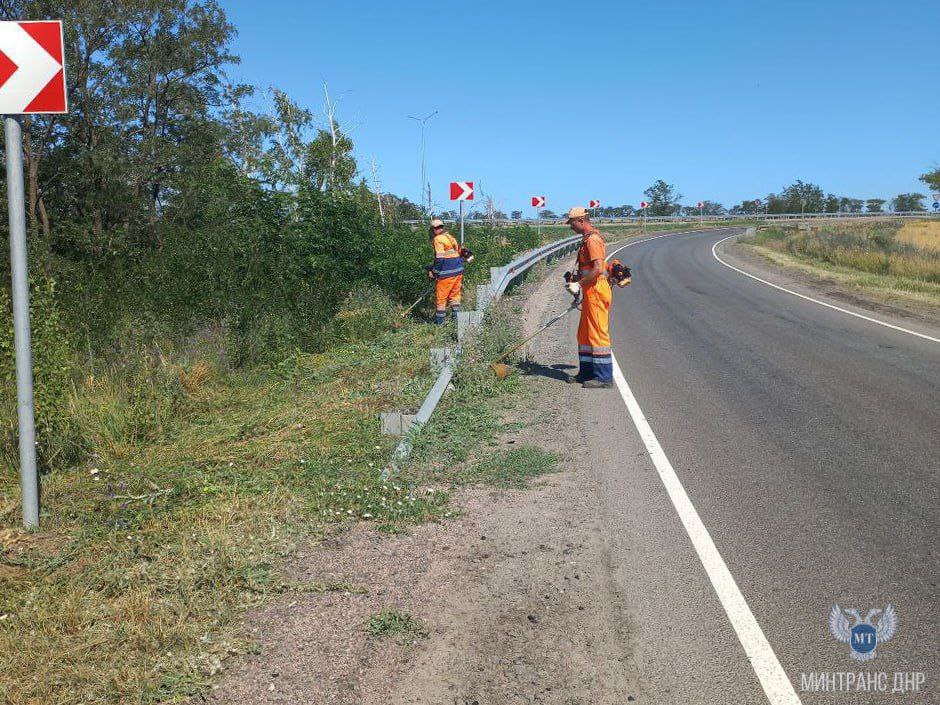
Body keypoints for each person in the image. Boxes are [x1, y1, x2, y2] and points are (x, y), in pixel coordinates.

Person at [564, 207, 612, 388]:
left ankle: (604, 378)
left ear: (581, 221)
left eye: (572, 223)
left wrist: (579, 284)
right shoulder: (587, 240)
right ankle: (586, 373)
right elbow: (588, 268)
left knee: (597, 333)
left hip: (597, 290)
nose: (571, 227)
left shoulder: (592, 240)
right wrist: (575, 280)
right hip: (590, 290)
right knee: (584, 334)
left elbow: (598, 269)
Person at [428, 218, 463, 324]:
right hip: (458, 271)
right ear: (442, 227)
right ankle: (457, 321)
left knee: (441, 299)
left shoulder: (438, 239)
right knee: (455, 297)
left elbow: (440, 258)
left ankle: (440, 325)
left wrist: (434, 272)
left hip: (446, 274)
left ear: (434, 229)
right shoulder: (451, 237)